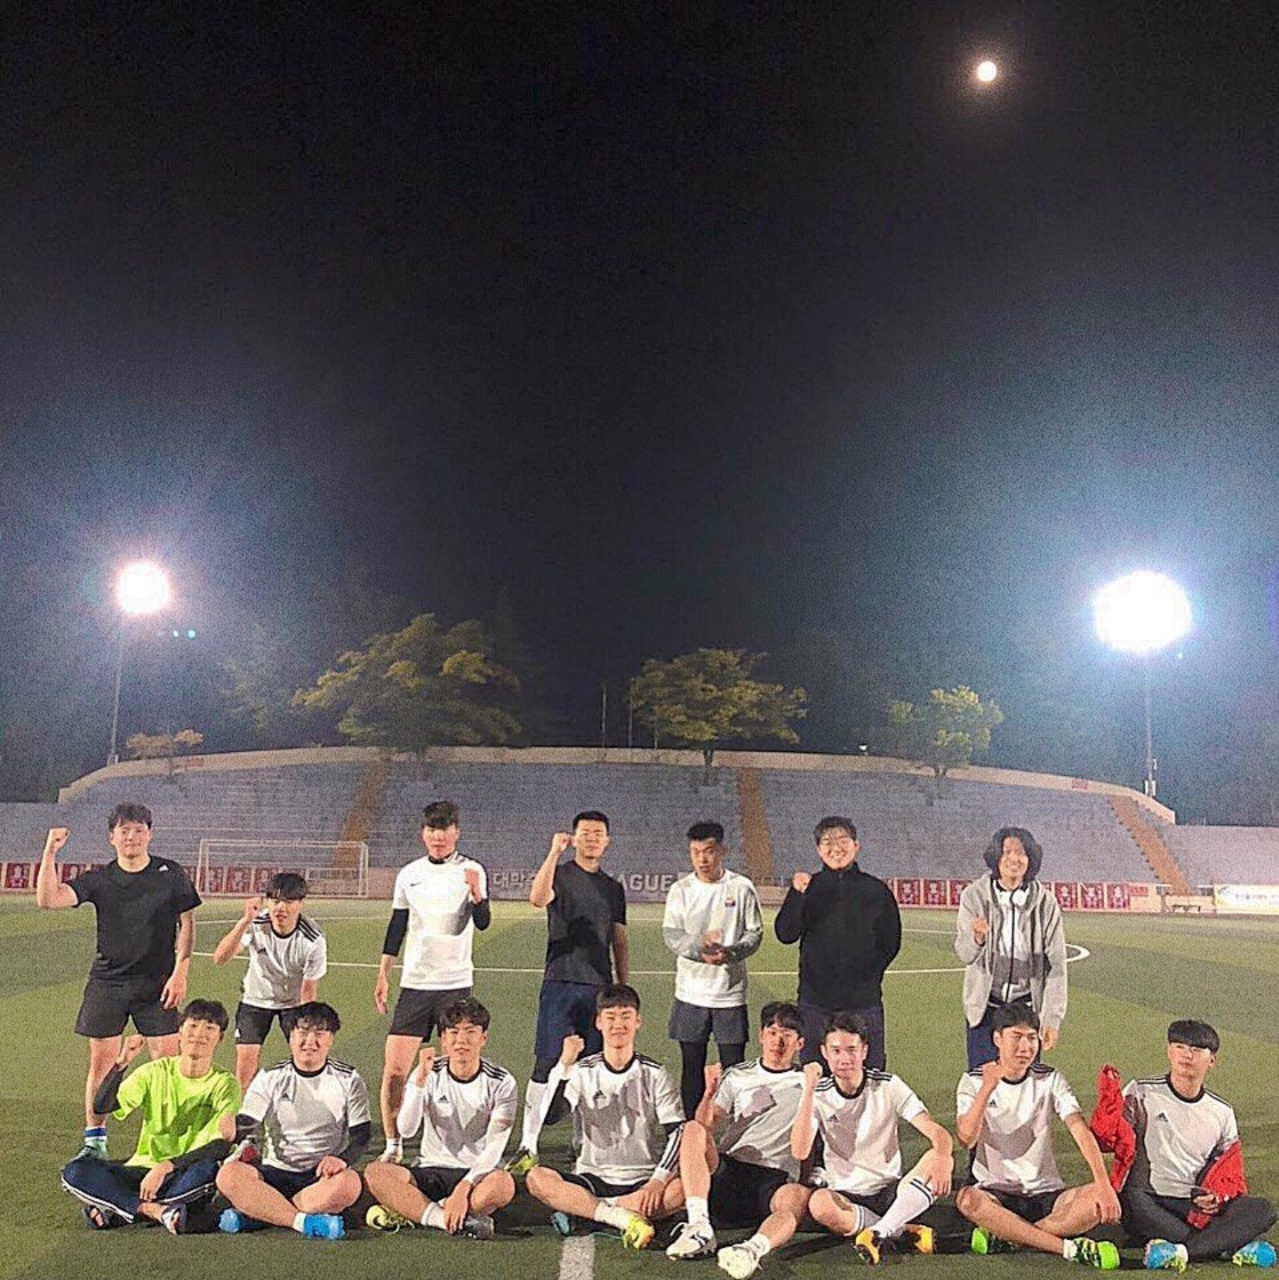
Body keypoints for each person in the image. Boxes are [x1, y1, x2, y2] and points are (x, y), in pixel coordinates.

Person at [36, 805, 201, 1159]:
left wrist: (181, 971)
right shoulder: (100, 879)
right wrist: (50, 852)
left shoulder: (170, 874)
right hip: (108, 982)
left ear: (150, 835)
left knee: (166, 1062)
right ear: (112, 837)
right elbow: (48, 900)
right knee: (102, 1062)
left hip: (157, 983)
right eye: (124, 831)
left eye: (139, 830)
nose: (132, 837)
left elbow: (187, 923)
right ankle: (95, 1141)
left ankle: (166, 1142)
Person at [954, 1003, 1121, 1269]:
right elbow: (966, 1139)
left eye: (1032, 1038)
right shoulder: (974, 1080)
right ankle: (1066, 1248)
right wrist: (987, 1089)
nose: (1025, 1047)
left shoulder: (1050, 1079)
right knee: (968, 1200)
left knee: (1096, 1202)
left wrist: (1103, 1184)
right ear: (997, 1039)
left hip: (1047, 1192)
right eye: (1016, 1037)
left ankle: (1010, 1236)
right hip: (996, 1192)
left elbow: (1079, 1128)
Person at [782, 1012, 953, 1270]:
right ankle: (898, 1230)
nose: (844, 1059)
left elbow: (936, 1132)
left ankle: (879, 1231)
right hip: (845, 1198)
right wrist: (808, 1091)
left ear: (864, 1051)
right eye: (836, 1051)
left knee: (936, 1156)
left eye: (851, 1050)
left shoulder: (888, 1086)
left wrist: (943, 1156)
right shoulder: (818, 1094)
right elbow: (799, 1150)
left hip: (891, 1191)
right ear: (824, 1053)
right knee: (819, 1204)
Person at [524, 985, 685, 1250]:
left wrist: (657, 1181)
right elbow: (551, 1116)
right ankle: (620, 1216)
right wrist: (564, 1065)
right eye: (610, 1017)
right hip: (593, 1177)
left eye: (625, 1016)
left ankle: (588, 1211)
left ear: (638, 1021)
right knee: (536, 1178)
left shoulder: (656, 1074)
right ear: (599, 1023)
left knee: (686, 1186)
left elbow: (677, 1133)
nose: (618, 1025)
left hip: (642, 1180)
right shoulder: (582, 1071)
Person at [510, 810, 628, 1169]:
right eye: (585, 832)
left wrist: (622, 986)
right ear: (575, 838)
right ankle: (528, 1144)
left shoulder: (613, 888)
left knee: (590, 1068)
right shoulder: (559, 874)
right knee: (547, 1061)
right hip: (560, 982)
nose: (592, 838)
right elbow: (537, 898)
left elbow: (619, 939)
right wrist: (553, 853)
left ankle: (582, 1142)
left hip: (599, 988)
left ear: (607, 841)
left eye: (598, 833)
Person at [374, 799, 490, 1162]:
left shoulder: (472, 870)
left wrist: (477, 895)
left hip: (454, 984)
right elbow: (397, 926)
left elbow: (483, 922)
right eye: (431, 829)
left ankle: (446, 1146)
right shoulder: (409, 874)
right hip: (415, 984)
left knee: (452, 1071)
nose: (438, 836)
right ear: (423, 834)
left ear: (456, 832)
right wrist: (383, 973)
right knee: (395, 1069)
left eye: (444, 829)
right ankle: (393, 1144)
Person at [60, 999, 239, 1234]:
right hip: (142, 1168)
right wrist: (120, 1065)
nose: (199, 1035)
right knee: (75, 1171)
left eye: (209, 1028)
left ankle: (119, 1208)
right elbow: (102, 1106)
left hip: (184, 1171)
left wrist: (167, 1166)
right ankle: (156, 1211)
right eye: (193, 1026)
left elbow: (222, 1143)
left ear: (220, 1038)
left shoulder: (225, 1083)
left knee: (209, 1172)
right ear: (179, 1032)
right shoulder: (154, 1072)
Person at [665, 1002, 812, 1278]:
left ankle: (750, 1251)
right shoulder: (738, 1075)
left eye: (787, 1034)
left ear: (800, 1043)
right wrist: (709, 1093)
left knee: (795, 1199)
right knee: (692, 1132)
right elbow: (706, 1125)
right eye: (772, 1032)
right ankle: (699, 1227)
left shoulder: (809, 1082)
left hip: (773, 1178)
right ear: (761, 1036)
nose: (778, 1041)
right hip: (730, 1169)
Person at [1119, 1019, 1276, 1271]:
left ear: (1212, 1060)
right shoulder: (1140, 1092)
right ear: (1169, 1052)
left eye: (1196, 1049)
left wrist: (1217, 1196)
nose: (1187, 1055)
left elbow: (1229, 1168)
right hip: (1147, 1199)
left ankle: (1182, 1251)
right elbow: (1113, 1138)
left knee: (1263, 1209)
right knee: (1131, 1204)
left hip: (1193, 1205)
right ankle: (1227, 1245)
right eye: (1179, 1046)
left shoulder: (1221, 1111)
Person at [364, 996, 517, 1239]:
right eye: (453, 1032)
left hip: (477, 1173)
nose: (461, 1040)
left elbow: (495, 1148)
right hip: (430, 1169)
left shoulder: (501, 1081)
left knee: (503, 1185)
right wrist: (419, 1084)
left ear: (483, 1038)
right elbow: (406, 1129)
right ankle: (447, 1219)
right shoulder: (428, 1072)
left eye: (470, 1032)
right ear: (443, 1039)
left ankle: (416, 1210)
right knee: (376, 1173)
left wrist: (464, 1187)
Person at [216, 1000, 368, 1240]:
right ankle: (302, 1221)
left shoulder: (349, 1078)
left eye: (320, 1033)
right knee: (228, 1175)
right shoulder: (270, 1076)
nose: (310, 1041)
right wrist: (233, 1129)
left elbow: (361, 1135)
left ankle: (260, 1213)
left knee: (350, 1184)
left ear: (331, 1039)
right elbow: (248, 1121)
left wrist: (341, 1159)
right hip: (275, 1173)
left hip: (321, 1177)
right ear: (290, 1037)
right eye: (303, 1033)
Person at [773, 815, 901, 1069]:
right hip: (815, 1002)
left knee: (869, 1075)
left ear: (856, 845)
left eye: (843, 840)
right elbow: (785, 934)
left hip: (863, 1002)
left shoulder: (876, 890)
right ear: (818, 850)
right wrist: (796, 895)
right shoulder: (809, 887)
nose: (836, 848)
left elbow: (891, 942)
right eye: (828, 842)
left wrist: (868, 975)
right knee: (815, 1075)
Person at [663, 821, 763, 1118]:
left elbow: (754, 933)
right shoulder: (680, 890)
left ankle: (734, 1132)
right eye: (695, 852)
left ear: (722, 850)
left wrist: (731, 953)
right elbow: (672, 935)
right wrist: (700, 949)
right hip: (690, 993)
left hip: (729, 995)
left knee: (734, 1070)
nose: (702, 859)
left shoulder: (741, 887)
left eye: (708, 851)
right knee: (691, 1065)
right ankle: (691, 1130)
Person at [955, 826, 1067, 1069]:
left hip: (1026, 1011)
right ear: (996, 856)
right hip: (985, 1010)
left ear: (1031, 859)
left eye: (1021, 853)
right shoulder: (974, 896)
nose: (1014, 859)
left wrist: (1051, 1018)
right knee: (983, 1081)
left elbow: (1057, 965)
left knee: (1023, 1084)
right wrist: (976, 939)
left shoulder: (1046, 902)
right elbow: (964, 953)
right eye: (1007, 852)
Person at [212, 871, 328, 1092]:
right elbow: (220, 958)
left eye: (288, 902)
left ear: (301, 904)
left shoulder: (313, 940)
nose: (280, 908)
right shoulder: (257, 923)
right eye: (274, 900)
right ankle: (245, 1111)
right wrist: (244, 921)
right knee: (245, 1069)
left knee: (305, 1060)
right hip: (255, 999)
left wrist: (306, 1027)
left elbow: (309, 990)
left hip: (293, 1004)